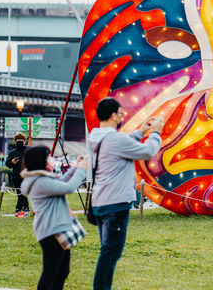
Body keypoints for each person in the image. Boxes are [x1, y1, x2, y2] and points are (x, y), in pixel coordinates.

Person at [88, 97, 163, 290]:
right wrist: (155, 133)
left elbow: (119, 144)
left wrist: (141, 131)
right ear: (114, 115)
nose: (121, 118)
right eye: (121, 114)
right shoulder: (115, 138)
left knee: (107, 250)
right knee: (110, 253)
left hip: (101, 202)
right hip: (116, 203)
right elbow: (147, 152)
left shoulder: (96, 136)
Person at [20, 145, 90, 290]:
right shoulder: (39, 181)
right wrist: (82, 170)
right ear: (41, 161)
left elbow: (61, 183)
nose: (51, 160)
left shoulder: (40, 179)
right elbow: (68, 188)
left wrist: (75, 168)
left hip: (55, 229)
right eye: (48, 157)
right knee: (51, 273)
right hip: (51, 231)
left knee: (62, 271)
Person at [6, 132, 30, 213]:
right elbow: (8, 164)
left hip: (27, 175)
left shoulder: (29, 150)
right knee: (20, 193)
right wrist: (12, 162)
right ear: (15, 141)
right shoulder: (12, 152)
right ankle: (25, 208)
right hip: (16, 176)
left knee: (23, 192)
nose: (19, 141)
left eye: (21, 139)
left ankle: (19, 208)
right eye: (18, 140)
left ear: (24, 140)